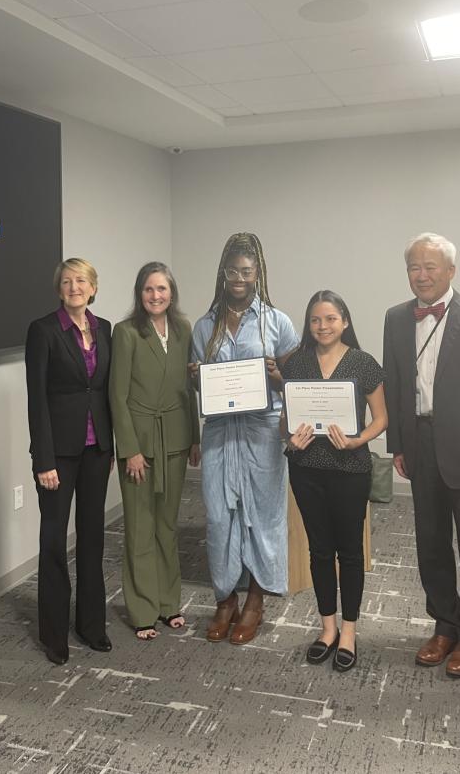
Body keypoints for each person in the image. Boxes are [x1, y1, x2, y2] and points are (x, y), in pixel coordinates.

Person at [383, 232, 460, 676]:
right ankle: (444, 624)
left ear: (451, 271)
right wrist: (398, 445)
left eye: (431, 267)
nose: (422, 275)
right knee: (430, 542)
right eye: (414, 267)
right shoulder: (395, 317)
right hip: (420, 442)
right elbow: (393, 380)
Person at [191, 232, 299, 645]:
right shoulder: (205, 325)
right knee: (220, 519)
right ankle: (225, 599)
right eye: (233, 270)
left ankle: (255, 599)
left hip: (262, 434)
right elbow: (202, 382)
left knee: (263, 518)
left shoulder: (278, 321)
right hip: (220, 434)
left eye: (247, 271)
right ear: (223, 273)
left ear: (258, 274)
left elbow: (293, 381)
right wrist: (197, 379)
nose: (239, 278)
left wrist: (277, 376)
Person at [281, 291, 387, 673]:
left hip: (349, 469)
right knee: (320, 551)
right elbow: (285, 419)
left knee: (350, 553)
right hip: (306, 468)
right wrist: (289, 437)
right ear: (308, 326)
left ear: (344, 321)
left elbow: (381, 417)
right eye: (315, 320)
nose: (323, 326)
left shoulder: (363, 363)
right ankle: (326, 628)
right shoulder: (297, 364)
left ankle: (349, 631)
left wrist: (360, 439)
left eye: (330, 319)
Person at [25, 257, 114, 665]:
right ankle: (54, 633)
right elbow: (36, 400)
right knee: (54, 543)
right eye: (66, 281)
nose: (74, 287)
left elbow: (106, 392)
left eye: (81, 281)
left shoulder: (105, 329)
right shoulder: (42, 331)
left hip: (97, 451)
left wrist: (111, 446)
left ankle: (92, 626)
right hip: (57, 455)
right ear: (59, 289)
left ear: (93, 288)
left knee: (93, 539)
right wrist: (43, 459)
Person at [109, 262, 201, 640]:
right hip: (141, 444)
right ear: (139, 293)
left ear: (172, 292)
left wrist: (194, 436)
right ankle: (143, 609)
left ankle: (169, 603)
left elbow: (187, 386)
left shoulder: (183, 329)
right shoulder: (126, 332)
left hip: (176, 439)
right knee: (140, 527)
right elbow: (117, 395)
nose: (155, 296)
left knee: (167, 526)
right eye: (149, 289)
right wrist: (129, 448)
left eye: (161, 289)